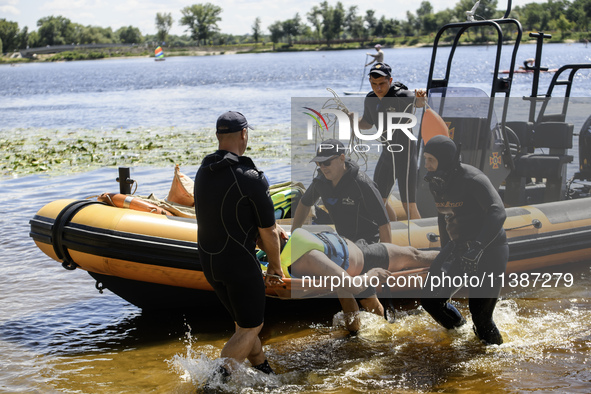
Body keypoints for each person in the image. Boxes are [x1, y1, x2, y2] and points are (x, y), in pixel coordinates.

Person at [194, 111, 285, 378]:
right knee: (250, 327)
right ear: (244, 134)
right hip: (238, 264)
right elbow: (268, 231)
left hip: (210, 262)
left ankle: (266, 374)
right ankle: (214, 383)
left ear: (217, 136)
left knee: (243, 325)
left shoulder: (203, 171)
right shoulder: (250, 177)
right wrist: (275, 268)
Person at [419, 135, 508, 345]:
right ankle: (460, 334)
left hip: (488, 250)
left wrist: (477, 248)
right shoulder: (436, 181)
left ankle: (495, 359)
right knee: (431, 301)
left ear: (445, 159)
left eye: (430, 159)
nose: (426, 165)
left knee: (482, 320)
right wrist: (444, 252)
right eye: (425, 159)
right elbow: (444, 215)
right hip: (459, 247)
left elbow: (498, 213)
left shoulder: (473, 179)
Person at [274, 228, 438, 332]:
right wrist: (372, 275)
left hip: (359, 257)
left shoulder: (300, 253)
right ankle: (377, 336)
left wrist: (370, 274)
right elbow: (352, 286)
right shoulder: (301, 257)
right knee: (364, 315)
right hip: (355, 266)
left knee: (415, 256)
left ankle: (454, 256)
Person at [355, 62, 425, 221]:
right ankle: (392, 230)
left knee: (409, 204)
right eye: (374, 84)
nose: (378, 88)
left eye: (382, 84)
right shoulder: (371, 99)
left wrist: (421, 97)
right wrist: (352, 121)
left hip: (405, 154)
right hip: (387, 154)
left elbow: (419, 103)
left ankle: (425, 240)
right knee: (379, 199)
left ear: (390, 80)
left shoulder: (401, 95)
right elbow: (367, 123)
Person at [292, 139, 391, 245]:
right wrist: (294, 234)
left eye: (327, 162)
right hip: (344, 241)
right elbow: (304, 204)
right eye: (319, 163)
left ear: (341, 158)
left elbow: (384, 223)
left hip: (367, 242)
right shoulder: (320, 182)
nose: (323, 167)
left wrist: (386, 257)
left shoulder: (361, 182)